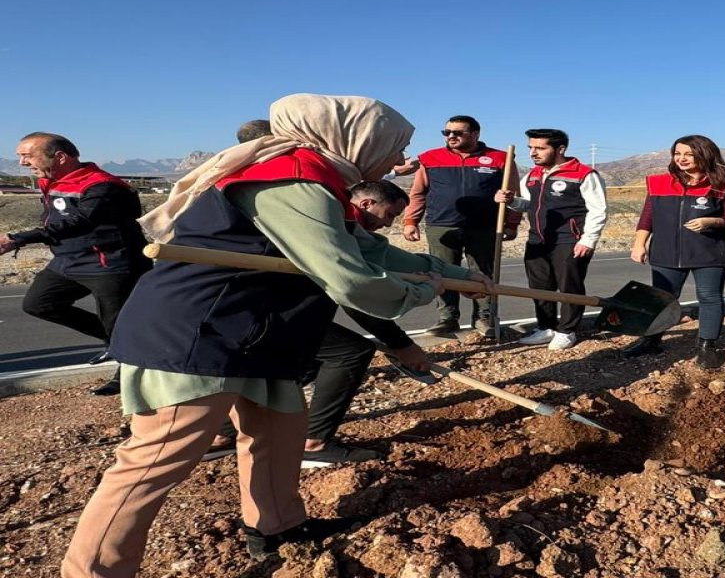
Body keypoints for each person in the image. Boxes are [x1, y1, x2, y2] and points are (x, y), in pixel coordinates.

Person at [60, 94, 495, 577]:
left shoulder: (322, 182)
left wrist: (453, 273)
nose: (398, 158)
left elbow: (371, 251)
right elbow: (350, 278)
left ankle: (276, 527)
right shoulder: (291, 179)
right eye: (394, 145)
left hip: (260, 333)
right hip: (200, 334)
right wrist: (424, 291)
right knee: (156, 461)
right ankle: (93, 570)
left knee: (279, 434)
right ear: (358, 138)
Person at [202, 179, 442, 467]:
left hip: (246, 304)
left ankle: (223, 434)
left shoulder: (341, 223)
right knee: (350, 352)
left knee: (298, 357)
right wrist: (401, 344)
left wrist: (465, 278)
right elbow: (355, 295)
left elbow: (391, 264)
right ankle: (314, 444)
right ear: (366, 204)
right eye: (389, 214)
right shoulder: (335, 225)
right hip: (255, 309)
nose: (389, 224)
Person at [0, 133, 152, 396]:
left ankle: (127, 378)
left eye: (28, 156)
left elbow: (80, 221)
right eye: (20, 157)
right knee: (38, 304)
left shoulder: (103, 186)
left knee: (118, 321)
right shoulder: (52, 181)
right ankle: (116, 341)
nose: (23, 163)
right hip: (68, 261)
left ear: (60, 157)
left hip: (110, 263)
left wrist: (19, 238)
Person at [626, 135, 725, 369]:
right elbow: (648, 217)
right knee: (662, 298)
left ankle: (707, 348)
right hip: (666, 251)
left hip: (710, 253)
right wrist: (639, 244)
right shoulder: (659, 183)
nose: (681, 158)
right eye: (677, 154)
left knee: (709, 297)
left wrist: (711, 221)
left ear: (705, 154)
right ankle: (651, 340)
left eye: (689, 154)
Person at [401, 115, 519, 336]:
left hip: (484, 226)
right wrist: (410, 221)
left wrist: (512, 223)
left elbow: (512, 194)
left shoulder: (500, 158)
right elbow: (418, 193)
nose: (451, 136)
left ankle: (484, 317)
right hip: (441, 224)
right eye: (447, 133)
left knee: (483, 272)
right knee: (442, 271)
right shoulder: (430, 158)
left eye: (457, 132)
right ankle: (447, 318)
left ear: (475, 134)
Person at [494, 128, 607, 350]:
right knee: (539, 287)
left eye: (540, 148)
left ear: (560, 149)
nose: (533, 153)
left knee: (569, 287)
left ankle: (567, 330)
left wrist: (588, 240)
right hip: (538, 240)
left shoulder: (584, 174)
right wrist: (511, 201)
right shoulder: (533, 175)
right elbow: (529, 204)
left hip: (570, 240)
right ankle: (546, 327)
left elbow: (598, 210)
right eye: (531, 148)